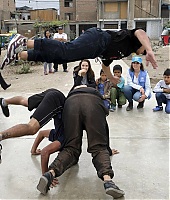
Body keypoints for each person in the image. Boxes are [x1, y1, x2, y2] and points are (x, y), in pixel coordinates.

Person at [37, 86, 125, 198]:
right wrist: (107, 149)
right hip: (93, 103)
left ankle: (51, 173)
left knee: (70, 148)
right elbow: (105, 129)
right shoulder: (93, 91)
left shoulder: (73, 92)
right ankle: (108, 181)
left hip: (71, 104)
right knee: (98, 147)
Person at [1, 27, 158, 86]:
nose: (144, 53)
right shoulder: (132, 38)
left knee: (61, 58)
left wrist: (111, 78)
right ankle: (25, 41)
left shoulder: (123, 52)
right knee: (66, 50)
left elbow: (105, 65)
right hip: (98, 39)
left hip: (95, 50)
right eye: (144, 51)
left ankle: (21, 55)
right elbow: (140, 32)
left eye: (145, 54)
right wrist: (150, 50)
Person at [0, 89, 66, 165]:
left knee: (26, 101)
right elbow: (45, 151)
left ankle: (5, 101)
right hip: (57, 101)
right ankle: (1, 136)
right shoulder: (63, 139)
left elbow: (42, 133)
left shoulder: (57, 135)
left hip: (54, 93)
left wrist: (33, 150)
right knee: (32, 128)